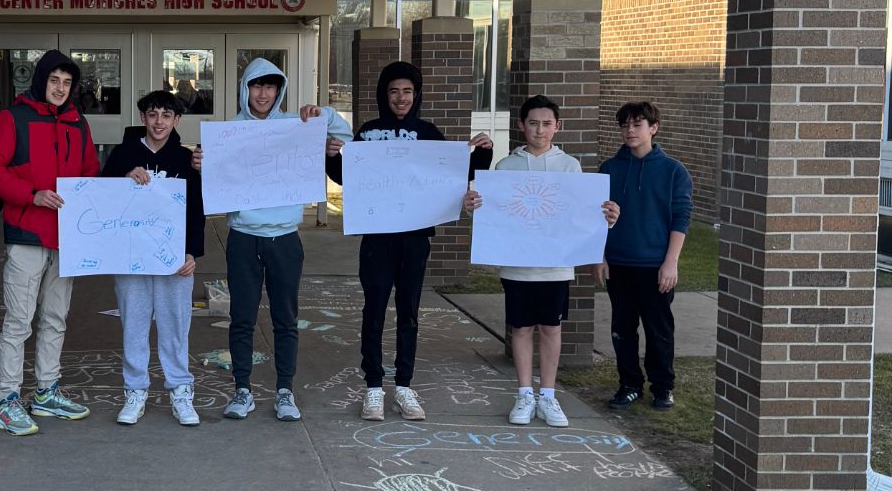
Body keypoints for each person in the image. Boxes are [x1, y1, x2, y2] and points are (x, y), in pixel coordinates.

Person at [326, 60, 492, 422]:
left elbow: (456, 173)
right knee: (373, 310)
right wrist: (332, 157)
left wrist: (483, 151)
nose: (400, 98)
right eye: (393, 91)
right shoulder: (368, 132)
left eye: (407, 91)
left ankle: (403, 386)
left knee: (409, 312)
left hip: (415, 238)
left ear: (416, 95)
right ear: (383, 95)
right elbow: (346, 177)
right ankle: (373, 386)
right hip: (377, 238)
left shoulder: (428, 132)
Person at [462, 95, 619, 428]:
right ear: (521, 125)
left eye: (547, 123)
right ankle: (524, 393)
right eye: (533, 123)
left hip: (556, 265)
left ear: (557, 126)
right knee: (520, 328)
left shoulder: (569, 166)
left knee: (551, 327)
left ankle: (547, 395)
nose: (540, 130)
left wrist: (605, 219)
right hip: (517, 266)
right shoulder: (506, 167)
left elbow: (581, 214)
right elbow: (494, 214)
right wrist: (474, 206)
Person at [216, 56, 351, 422]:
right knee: (241, 317)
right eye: (257, 86)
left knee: (285, 318)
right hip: (244, 236)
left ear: (280, 91)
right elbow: (215, 179)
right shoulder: (231, 131)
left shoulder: (296, 125)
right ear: (246, 89)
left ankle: (284, 391)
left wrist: (321, 113)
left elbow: (344, 135)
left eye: (271, 87)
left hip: (285, 238)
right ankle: (242, 389)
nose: (263, 94)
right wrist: (203, 164)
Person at [0, 48, 100, 435]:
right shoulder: (12, 118)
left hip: (66, 238)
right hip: (27, 235)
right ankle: (7, 400)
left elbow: (90, 172)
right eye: (54, 81)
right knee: (19, 321)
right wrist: (31, 195)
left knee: (55, 318)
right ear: (40, 80)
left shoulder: (78, 122)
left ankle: (46, 391)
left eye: (67, 83)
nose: (60, 88)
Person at [101, 89, 206, 427]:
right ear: (142, 118)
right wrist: (123, 180)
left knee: (175, 325)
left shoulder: (185, 160)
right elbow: (100, 198)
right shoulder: (122, 155)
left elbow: (196, 210)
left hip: (174, 260)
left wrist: (192, 252)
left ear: (177, 120)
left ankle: (180, 389)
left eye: (166, 115)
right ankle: (135, 390)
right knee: (134, 323)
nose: (159, 122)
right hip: (131, 256)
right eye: (152, 114)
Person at [598, 100, 693, 411]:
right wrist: (600, 256)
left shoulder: (673, 171)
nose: (630, 130)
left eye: (637, 124)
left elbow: (680, 217)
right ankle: (629, 385)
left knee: (658, 331)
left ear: (653, 128)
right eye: (625, 125)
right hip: (619, 263)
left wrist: (671, 262)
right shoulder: (609, 169)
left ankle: (662, 387)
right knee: (622, 330)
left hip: (655, 266)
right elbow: (595, 217)